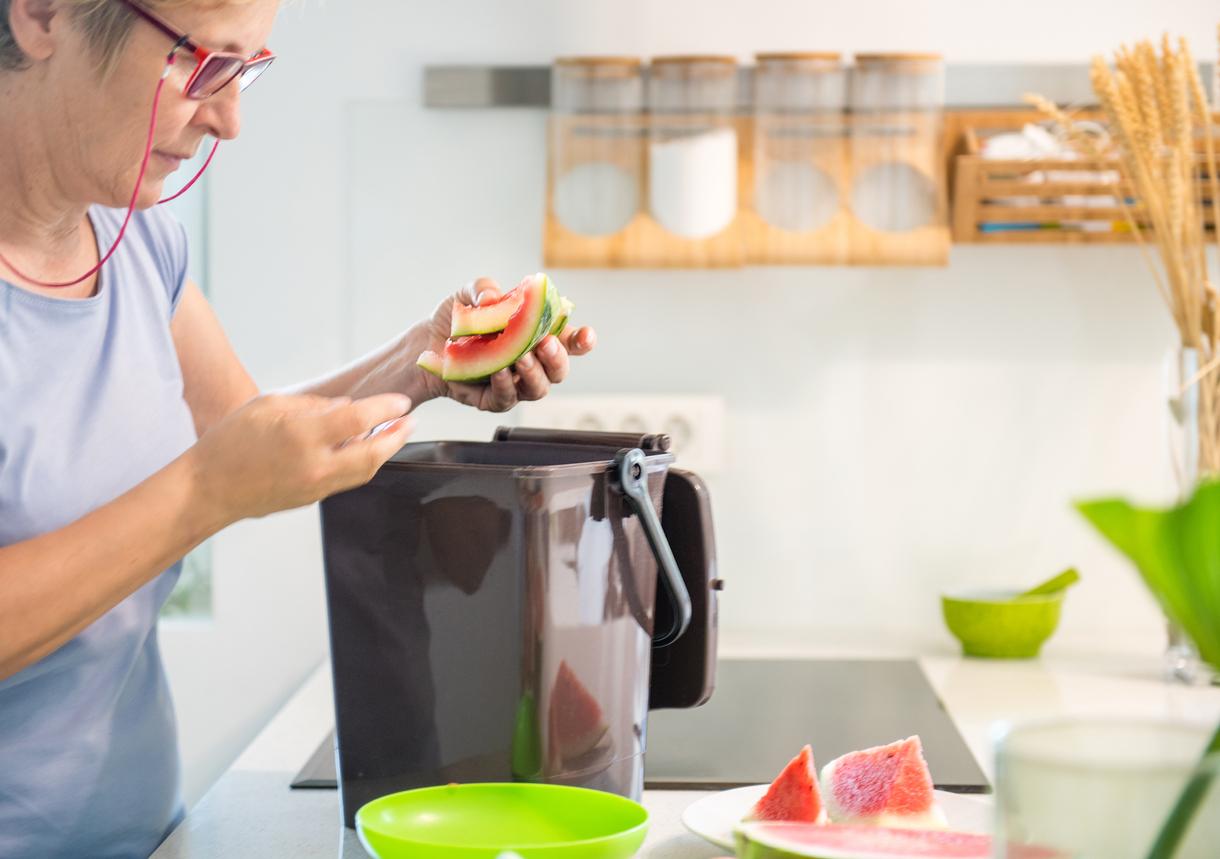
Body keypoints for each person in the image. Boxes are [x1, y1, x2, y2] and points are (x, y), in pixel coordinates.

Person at [0, 1, 596, 856]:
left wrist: (418, 365)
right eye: (201, 63)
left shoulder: (138, 243)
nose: (230, 119)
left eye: (247, 69)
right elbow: (222, 473)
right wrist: (204, 493)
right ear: (44, 14)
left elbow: (255, 437)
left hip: (147, 836)